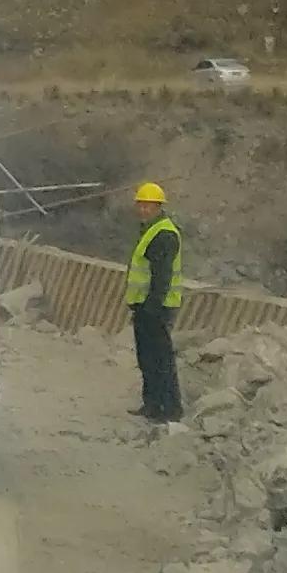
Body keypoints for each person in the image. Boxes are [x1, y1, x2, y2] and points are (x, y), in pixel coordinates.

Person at [124, 179, 185, 424]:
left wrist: (152, 307)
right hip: (144, 305)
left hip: (157, 307)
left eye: (149, 206)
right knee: (147, 357)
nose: (144, 210)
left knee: (160, 359)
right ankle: (152, 404)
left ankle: (169, 408)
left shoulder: (164, 234)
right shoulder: (150, 230)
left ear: (159, 207)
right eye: (141, 205)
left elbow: (162, 276)